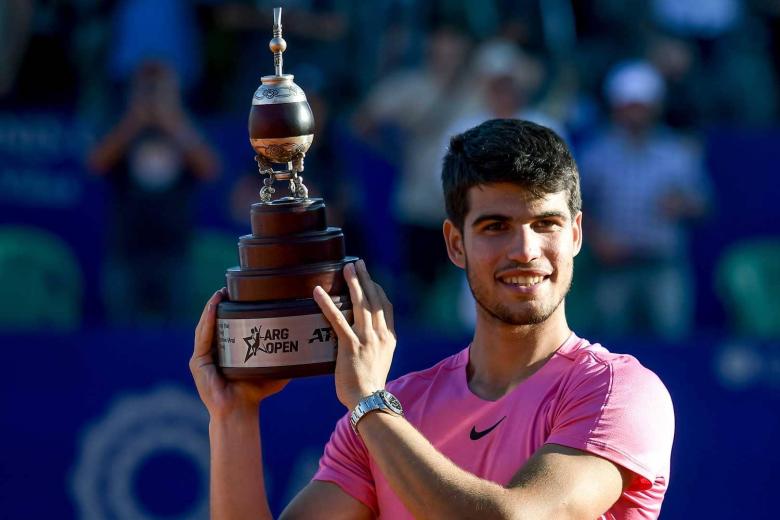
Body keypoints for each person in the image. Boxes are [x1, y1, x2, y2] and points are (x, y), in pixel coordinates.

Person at [191, 119, 674, 519]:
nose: (525, 251)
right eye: (495, 227)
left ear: (575, 235)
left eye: (544, 224)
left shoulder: (618, 389)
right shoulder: (393, 409)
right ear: (455, 243)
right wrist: (234, 415)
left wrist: (368, 404)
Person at [579, 60, 711, 340]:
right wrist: (597, 237)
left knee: (673, 344)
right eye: (629, 106)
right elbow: (576, 206)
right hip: (613, 269)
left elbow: (704, 204)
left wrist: (684, 204)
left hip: (663, 265)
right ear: (616, 107)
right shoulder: (596, 154)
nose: (635, 114)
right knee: (611, 349)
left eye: (642, 106)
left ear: (655, 108)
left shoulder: (677, 152)